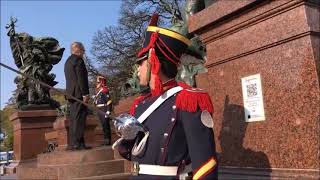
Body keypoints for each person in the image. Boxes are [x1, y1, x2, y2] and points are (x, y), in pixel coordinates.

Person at [114, 14, 218, 179]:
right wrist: (126, 138)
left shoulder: (188, 99)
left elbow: (205, 163)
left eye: (140, 63)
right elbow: (134, 153)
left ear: (153, 62)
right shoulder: (140, 104)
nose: (137, 70)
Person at [64, 42, 91, 150]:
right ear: (79, 50)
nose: (84, 53)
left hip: (71, 93)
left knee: (74, 118)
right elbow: (81, 78)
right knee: (79, 119)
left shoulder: (68, 61)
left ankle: (76, 143)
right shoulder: (78, 61)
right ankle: (77, 143)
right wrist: (85, 94)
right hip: (79, 93)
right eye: (83, 50)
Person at [94, 75, 112, 146]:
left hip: (104, 109)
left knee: (106, 125)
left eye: (98, 82)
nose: (96, 84)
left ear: (101, 83)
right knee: (103, 126)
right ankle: (105, 140)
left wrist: (108, 111)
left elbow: (109, 101)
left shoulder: (105, 90)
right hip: (99, 110)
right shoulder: (99, 92)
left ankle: (108, 140)